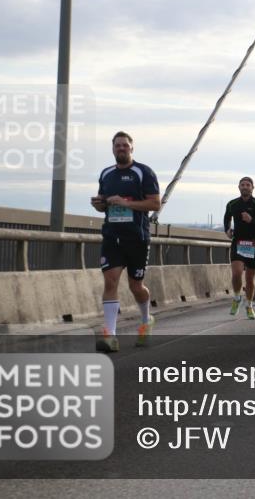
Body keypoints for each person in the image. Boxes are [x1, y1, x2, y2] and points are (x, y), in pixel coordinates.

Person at [90, 131, 161, 352]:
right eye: (117, 145)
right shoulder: (106, 174)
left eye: (125, 145)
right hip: (112, 235)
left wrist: (126, 203)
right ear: (112, 148)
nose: (121, 148)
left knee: (135, 286)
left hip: (137, 237)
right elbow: (103, 204)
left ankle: (146, 319)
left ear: (132, 148)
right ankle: (109, 334)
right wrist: (99, 204)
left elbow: (155, 204)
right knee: (110, 281)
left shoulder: (143, 172)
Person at [223, 177, 255, 320]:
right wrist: (227, 229)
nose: (245, 187)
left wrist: (251, 220)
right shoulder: (232, 204)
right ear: (239, 187)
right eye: (242, 185)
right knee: (236, 273)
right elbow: (227, 218)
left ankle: (249, 305)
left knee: (250, 278)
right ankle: (237, 297)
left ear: (252, 188)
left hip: (254, 244)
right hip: (238, 242)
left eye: (248, 185)